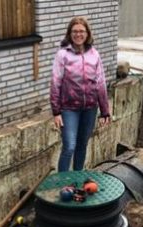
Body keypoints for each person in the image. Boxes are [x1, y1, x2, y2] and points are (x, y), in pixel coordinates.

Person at [50, 17, 111, 172]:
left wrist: (105, 111)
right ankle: (62, 183)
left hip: (90, 108)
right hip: (69, 109)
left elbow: (101, 83)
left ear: (87, 33)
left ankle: (77, 179)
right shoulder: (63, 55)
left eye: (82, 31)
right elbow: (55, 83)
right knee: (69, 146)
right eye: (75, 31)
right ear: (70, 34)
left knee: (82, 145)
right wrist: (56, 111)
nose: (78, 34)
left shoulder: (94, 54)